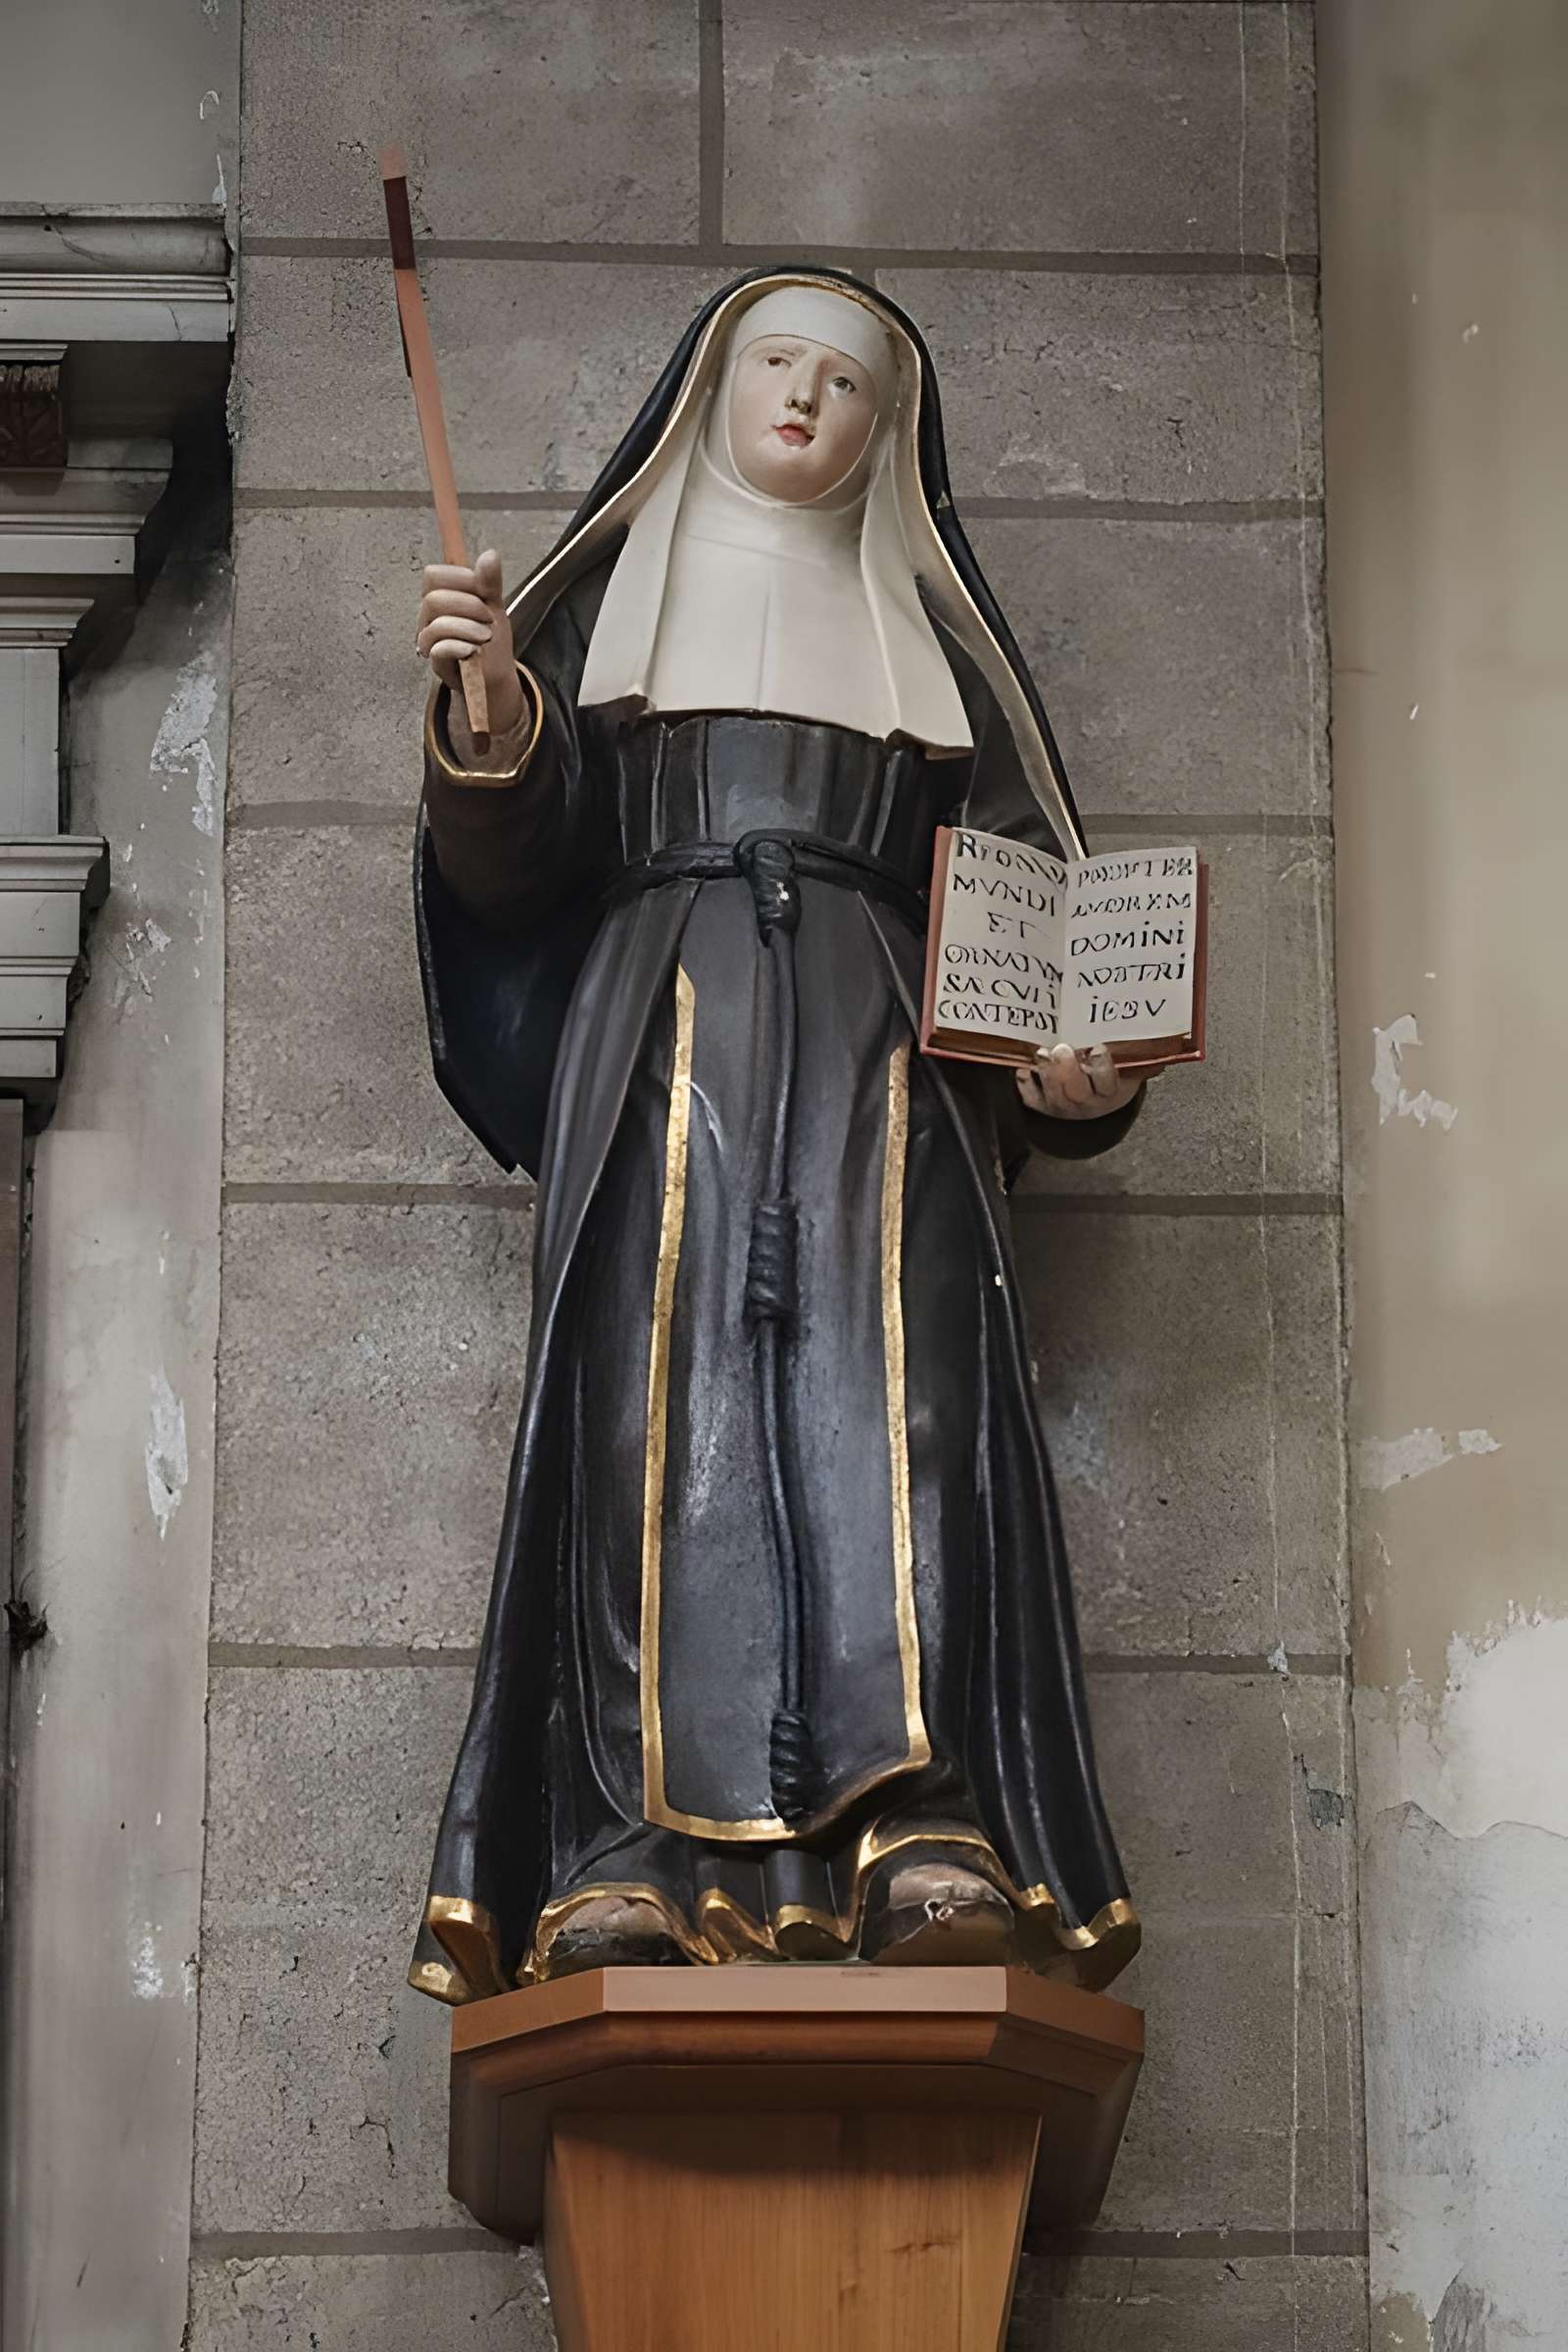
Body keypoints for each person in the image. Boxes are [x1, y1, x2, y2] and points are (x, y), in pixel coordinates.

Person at [406, 268, 1145, 2004]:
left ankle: (922, 1828)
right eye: (774, 369)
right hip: (661, 1036)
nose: (804, 402)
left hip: (894, 1067)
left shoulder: (936, 647)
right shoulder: (607, 620)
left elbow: (1042, 935)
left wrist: (1075, 1077)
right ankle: (625, 1852)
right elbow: (513, 877)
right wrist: (497, 730)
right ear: (708, 398)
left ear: (888, 435)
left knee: (908, 1413)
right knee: (647, 1417)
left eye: (845, 384)